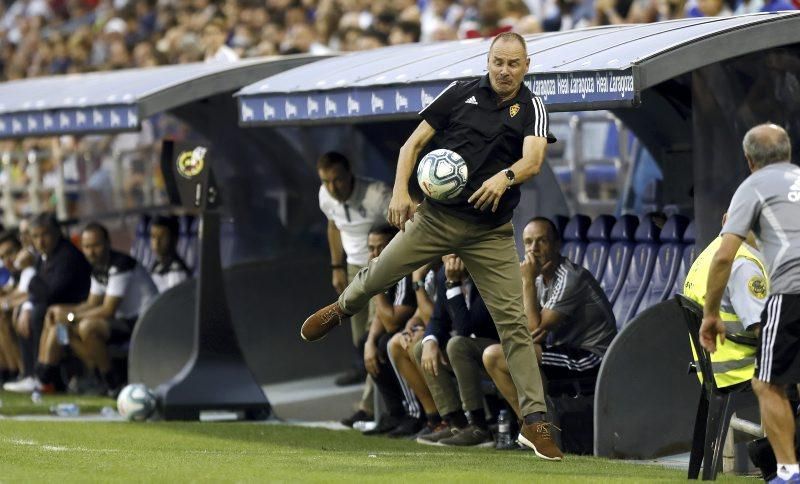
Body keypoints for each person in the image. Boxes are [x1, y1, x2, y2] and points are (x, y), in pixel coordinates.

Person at [302, 32, 563, 460]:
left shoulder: (532, 106)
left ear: (526, 66)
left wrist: (505, 177)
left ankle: (534, 421)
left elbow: (533, 159)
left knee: (514, 325)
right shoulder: (460, 93)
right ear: (489, 60)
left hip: (489, 232)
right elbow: (413, 144)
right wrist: (400, 193)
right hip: (437, 218)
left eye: (513, 63)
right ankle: (342, 307)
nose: (504, 70)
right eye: (498, 61)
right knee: (381, 272)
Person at [700, 123, 800, 484]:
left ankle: (788, 474)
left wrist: (711, 315)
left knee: (768, 384)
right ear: (787, 152)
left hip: (790, 292)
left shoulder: (753, 186)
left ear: (749, 160)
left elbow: (725, 257)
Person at [483, 217, 616, 422]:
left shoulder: (570, 277)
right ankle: (533, 429)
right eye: (528, 242)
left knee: (498, 355)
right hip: (563, 350)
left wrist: (526, 281)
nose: (533, 249)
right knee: (497, 355)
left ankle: (538, 430)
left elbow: (533, 326)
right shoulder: (536, 276)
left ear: (557, 245)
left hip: (593, 356)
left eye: (541, 241)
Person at [36, 222, 158, 395]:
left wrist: (71, 316)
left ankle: (112, 382)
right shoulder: (98, 268)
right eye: (86, 247)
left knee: (88, 327)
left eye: (96, 245)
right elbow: (92, 303)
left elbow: (108, 310)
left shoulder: (121, 265)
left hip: (143, 321)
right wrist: (61, 312)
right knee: (58, 321)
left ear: (108, 243)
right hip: (123, 320)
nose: (91, 251)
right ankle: (45, 376)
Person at [317, 151, 391, 425]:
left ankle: (369, 408)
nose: (332, 188)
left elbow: (402, 226)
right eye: (326, 181)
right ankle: (379, 404)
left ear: (350, 174)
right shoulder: (325, 196)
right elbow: (333, 226)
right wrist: (337, 268)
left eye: (337, 180)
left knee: (374, 337)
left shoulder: (377, 194)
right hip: (352, 271)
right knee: (362, 344)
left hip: (381, 271)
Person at [414, 255, 499, 447]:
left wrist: (453, 285)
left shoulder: (487, 274)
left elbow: (467, 329)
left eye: (455, 251)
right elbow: (438, 318)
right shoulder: (443, 275)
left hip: (496, 348)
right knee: (422, 347)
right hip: (471, 350)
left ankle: (479, 427)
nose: (450, 258)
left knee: (456, 345)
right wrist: (430, 341)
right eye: (447, 252)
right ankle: (457, 424)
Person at [4, 213, 91, 393]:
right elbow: (34, 292)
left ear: (57, 233)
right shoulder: (45, 256)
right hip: (60, 312)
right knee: (27, 311)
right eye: (35, 236)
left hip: (74, 312)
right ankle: (31, 374)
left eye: (45, 235)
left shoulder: (66, 256)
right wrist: (23, 306)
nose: (40, 241)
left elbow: (49, 293)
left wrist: (28, 269)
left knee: (40, 313)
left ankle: (42, 377)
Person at [684, 214, 768, 388]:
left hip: (716, 371)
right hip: (743, 371)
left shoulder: (711, 251)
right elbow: (768, 333)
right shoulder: (743, 264)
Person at [360, 224, 421, 436]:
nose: (375, 254)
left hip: (420, 329)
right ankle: (396, 413)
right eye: (371, 248)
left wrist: (374, 282)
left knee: (388, 342)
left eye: (381, 247)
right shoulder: (388, 268)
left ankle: (416, 414)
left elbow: (393, 321)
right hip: (404, 329)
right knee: (367, 341)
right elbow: (382, 314)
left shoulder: (404, 265)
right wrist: (368, 344)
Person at [149, 215, 192, 293]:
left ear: (174, 239)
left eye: (162, 237)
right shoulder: (157, 265)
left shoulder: (177, 272)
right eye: (153, 236)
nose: (156, 243)